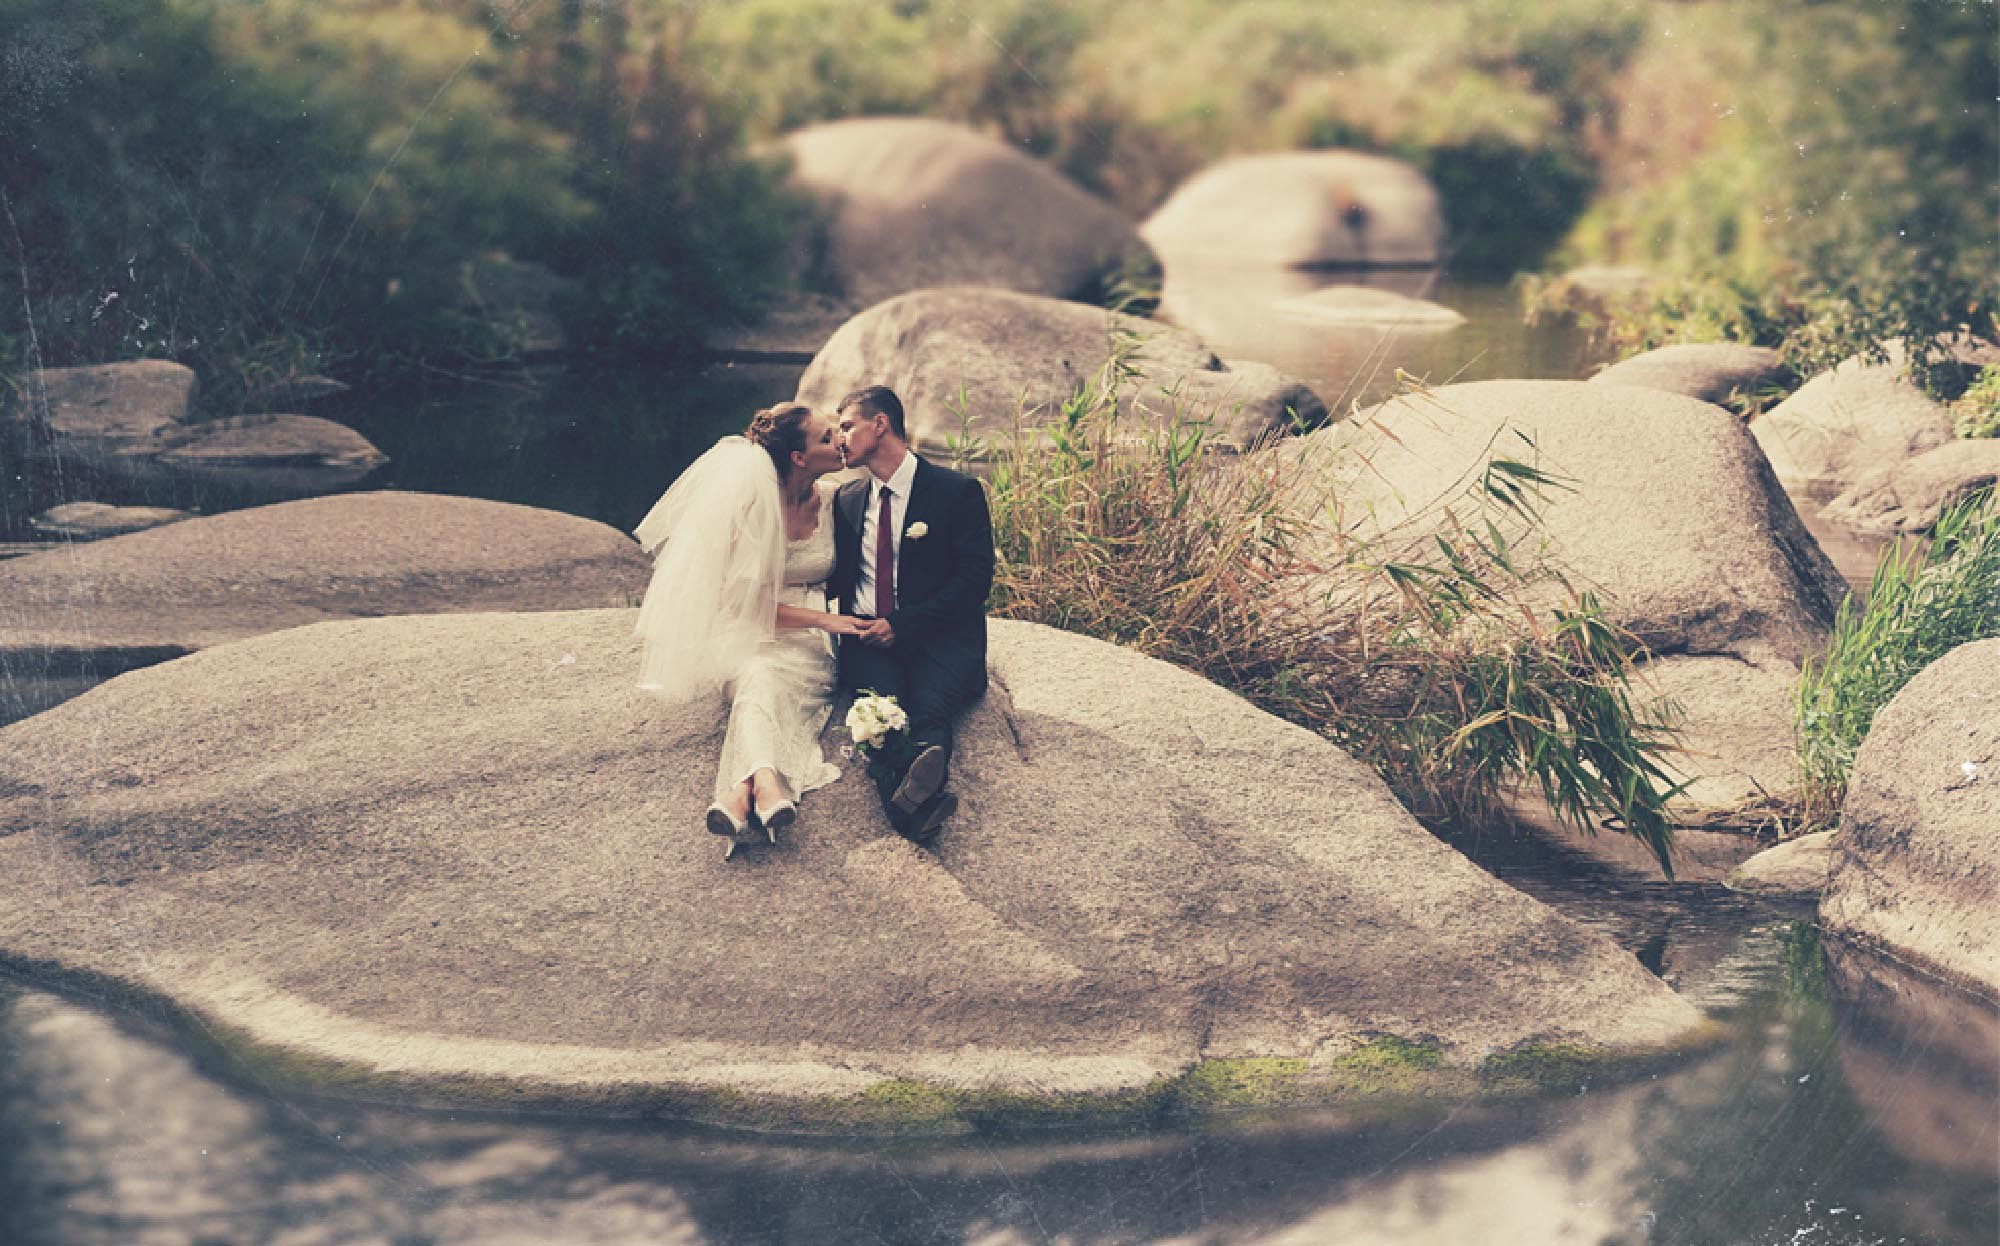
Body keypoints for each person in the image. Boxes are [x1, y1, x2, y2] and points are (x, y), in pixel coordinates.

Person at [632, 402, 862, 856]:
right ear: (798, 457)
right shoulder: (753, 506)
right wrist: (825, 619)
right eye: (824, 438)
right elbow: (741, 604)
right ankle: (768, 786)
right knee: (757, 672)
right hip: (751, 629)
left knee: (763, 684)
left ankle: (740, 794)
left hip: (811, 639)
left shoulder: (838, 499)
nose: (838, 442)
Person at [830, 385, 995, 844]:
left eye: (847, 426)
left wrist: (902, 625)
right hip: (867, 641)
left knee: (928, 709)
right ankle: (917, 809)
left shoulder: (956, 491)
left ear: (879, 424)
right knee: (879, 719)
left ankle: (910, 805)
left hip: (942, 636)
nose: (839, 439)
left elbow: (974, 582)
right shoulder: (846, 501)